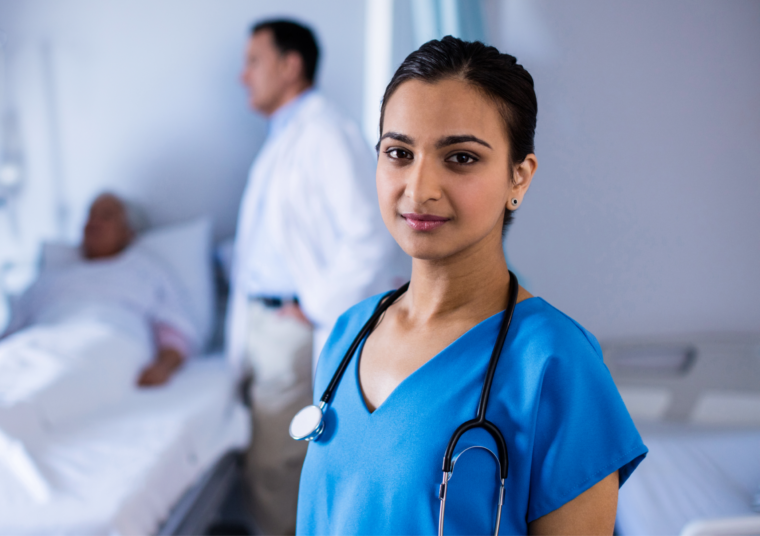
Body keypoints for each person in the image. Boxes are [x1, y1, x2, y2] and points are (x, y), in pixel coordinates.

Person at [295, 37, 648, 535]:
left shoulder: (554, 364)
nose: (419, 189)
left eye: (460, 158)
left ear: (518, 179)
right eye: (398, 152)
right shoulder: (348, 335)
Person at [228, 19, 406, 536]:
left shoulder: (325, 133)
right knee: (273, 464)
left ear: (291, 65)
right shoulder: (285, 135)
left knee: (276, 466)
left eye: (254, 61)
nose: (243, 76)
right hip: (269, 320)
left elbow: (369, 236)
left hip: (297, 322)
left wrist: (311, 304)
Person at [0, 192, 197, 392]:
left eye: (106, 216)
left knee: (54, 388)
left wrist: (162, 367)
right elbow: (11, 333)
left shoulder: (144, 273)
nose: (94, 223)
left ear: (128, 232)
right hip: (39, 342)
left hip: (110, 340)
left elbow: (175, 333)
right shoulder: (52, 278)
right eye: (90, 216)